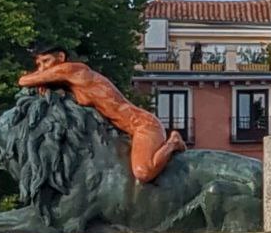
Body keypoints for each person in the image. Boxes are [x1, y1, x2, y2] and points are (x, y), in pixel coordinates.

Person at [18, 42, 185, 183]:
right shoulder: (74, 85)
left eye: (46, 61)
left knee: (142, 173)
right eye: (39, 64)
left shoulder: (74, 70)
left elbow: (24, 80)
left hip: (143, 125)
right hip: (127, 130)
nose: (42, 68)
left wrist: (38, 79)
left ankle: (173, 142)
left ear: (61, 57)